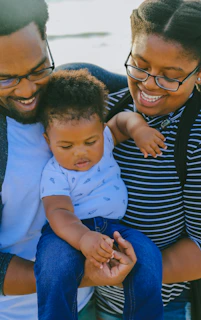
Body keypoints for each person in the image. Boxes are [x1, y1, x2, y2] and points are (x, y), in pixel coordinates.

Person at [0, 1, 138, 319]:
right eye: (7, 78)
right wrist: (89, 274)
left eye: (39, 69)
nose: (28, 89)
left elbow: (150, 85)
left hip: (86, 304)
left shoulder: (78, 89)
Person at [83, 0, 201, 319]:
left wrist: (127, 271)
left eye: (170, 76)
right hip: (95, 303)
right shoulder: (103, 110)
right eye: (140, 65)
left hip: (162, 308)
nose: (149, 85)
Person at [35, 68, 165, 320]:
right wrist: (84, 239)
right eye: (66, 146)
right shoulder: (54, 172)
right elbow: (58, 212)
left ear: (102, 130)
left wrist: (139, 130)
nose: (80, 153)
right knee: (53, 269)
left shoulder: (105, 138)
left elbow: (124, 120)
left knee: (148, 258)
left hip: (115, 229)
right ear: (47, 139)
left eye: (90, 142)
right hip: (67, 234)